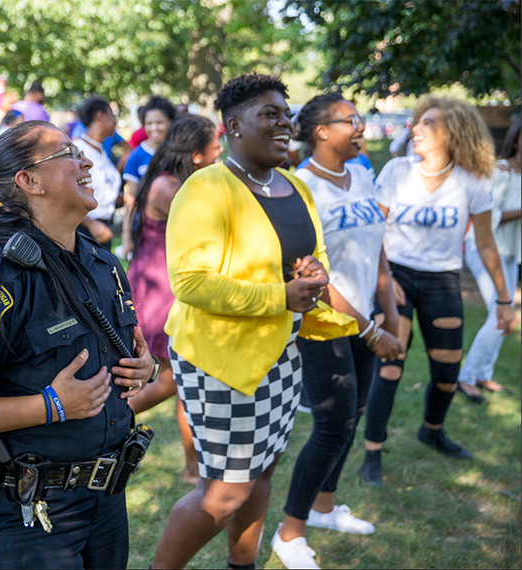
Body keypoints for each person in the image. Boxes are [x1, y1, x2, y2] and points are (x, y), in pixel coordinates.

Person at [0, 120, 157, 569]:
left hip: (105, 500)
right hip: (27, 515)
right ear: (29, 181)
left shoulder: (100, 261)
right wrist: (51, 406)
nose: (85, 160)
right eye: (68, 153)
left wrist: (146, 369)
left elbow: (125, 359)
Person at [149, 72, 356, 570]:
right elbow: (191, 282)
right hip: (220, 361)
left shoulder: (294, 187)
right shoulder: (206, 188)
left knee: (262, 473)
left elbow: (315, 257)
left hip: (280, 357)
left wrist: (314, 276)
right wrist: (281, 294)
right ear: (234, 127)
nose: (285, 122)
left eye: (287, 113)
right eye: (271, 113)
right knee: (222, 494)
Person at [272, 93, 405, 569]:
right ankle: (290, 534)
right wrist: (370, 330)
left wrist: (387, 306)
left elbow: (378, 245)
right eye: (351, 120)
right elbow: (312, 275)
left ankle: (324, 508)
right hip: (325, 323)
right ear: (322, 131)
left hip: (368, 317)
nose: (361, 127)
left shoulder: (363, 173)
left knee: (352, 417)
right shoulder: (300, 186)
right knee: (331, 427)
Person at [358, 97, 517, 486]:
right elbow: (373, 230)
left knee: (447, 374)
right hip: (395, 277)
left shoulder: (473, 180)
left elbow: (485, 244)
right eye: (417, 122)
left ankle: (431, 430)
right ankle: (372, 453)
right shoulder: (396, 170)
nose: (415, 128)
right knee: (390, 367)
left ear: (452, 133)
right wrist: (384, 278)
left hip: (442, 281)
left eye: (426, 123)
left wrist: (502, 299)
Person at [125, 114, 221, 485]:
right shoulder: (169, 187)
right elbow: (209, 228)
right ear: (197, 155)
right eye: (216, 145)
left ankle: (193, 469)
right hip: (161, 288)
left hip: (169, 283)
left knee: (182, 378)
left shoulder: (178, 180)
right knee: (171, 380)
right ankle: (104, 422)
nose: (221, 151)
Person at [457, 117, 521, 402]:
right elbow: (490, 219)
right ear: (517, 139)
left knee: (505, 316)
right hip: (483, 248)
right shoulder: (500, 172)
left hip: (510, 251)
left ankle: (484, 373)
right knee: (499, 312)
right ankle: (466, 377)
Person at [121, 97, 177, 258]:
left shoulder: (178, 153)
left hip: (177, 226)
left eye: (159, 122)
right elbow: (130, 199)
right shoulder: (136, 156)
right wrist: (126, 237)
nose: (154, 128)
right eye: (149, 123)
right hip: (146, 231)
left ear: (170, 122)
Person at [73, 96, 122, 250]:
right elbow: (65, 194)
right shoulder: (77, 149)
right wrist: (91, 224)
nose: (115, 121)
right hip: (84, 231)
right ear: (102, 116)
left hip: (103, 228)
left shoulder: (101, 151)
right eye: (113, 115)